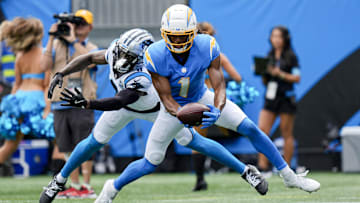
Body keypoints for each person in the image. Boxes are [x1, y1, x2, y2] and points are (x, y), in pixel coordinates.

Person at [94, 4, 320, 202]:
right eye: (173, 36)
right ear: (164, 34)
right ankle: (112, 188)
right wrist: (183, 114)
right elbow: (166, 99)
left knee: (250, 127)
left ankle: (289, 176)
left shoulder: (207, 46)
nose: (178, 40)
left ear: (193, 33)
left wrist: (217, 108)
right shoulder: (155, 54)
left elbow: (219, 85)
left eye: (183, 36)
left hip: (202, 96)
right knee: (151, 160)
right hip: (172, 108)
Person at [40, 27, 268, 203]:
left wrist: (88, 103)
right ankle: (59, 180)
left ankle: (245, 171)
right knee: (92, 142)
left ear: (140, 58)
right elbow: (90, 58)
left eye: (127, 55)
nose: (120, 57)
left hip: (157, 110)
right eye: (120, 51)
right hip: (125, 108)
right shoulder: (117, 51)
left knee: (196, 142)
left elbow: (120, 100)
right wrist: (62, 71)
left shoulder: (143, 73)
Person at [42, 9, 98, 199]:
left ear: (90, 27)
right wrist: (50, 38)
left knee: (86, 144)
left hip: (82, 101)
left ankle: (86, 185)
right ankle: (74, 185)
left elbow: (91, 63)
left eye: (81, 24)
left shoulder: (91, 47)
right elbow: (44, 66)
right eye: (76, 23)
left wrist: (74, 40)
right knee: (66, 147)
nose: (77, 27)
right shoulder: (57, 44)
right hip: (59, 103)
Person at [192, 21, 243, 191]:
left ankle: (200, 179)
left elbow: (237, 78)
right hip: (212, 101)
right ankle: (202, 178)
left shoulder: (192, 58)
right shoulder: (218, 55)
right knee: (199, 139)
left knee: (198, 139)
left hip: (204, 100)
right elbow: (237, 78)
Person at [0, 17, 54, 173]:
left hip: (18, 99)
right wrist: (48, 108)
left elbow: (16, 84)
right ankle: (61, 179)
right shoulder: (45, 54)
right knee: (59, 142)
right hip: (36, 99)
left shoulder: (20, 56)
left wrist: (11, 104)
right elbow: (46, 85)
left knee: (10, 145)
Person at [257, 26, 300, 173]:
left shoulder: (291, 57)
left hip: (286, 98)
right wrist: (263, 72)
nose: (275, 39)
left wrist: (279, 73)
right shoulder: (268, 56)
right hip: (270, 97)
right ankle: (263, 167)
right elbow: (265, 81)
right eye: (273, 36)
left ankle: (287, 168)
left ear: (285, 39)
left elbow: (296, 77)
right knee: (262, 131)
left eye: (278, 37)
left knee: (286, 133)